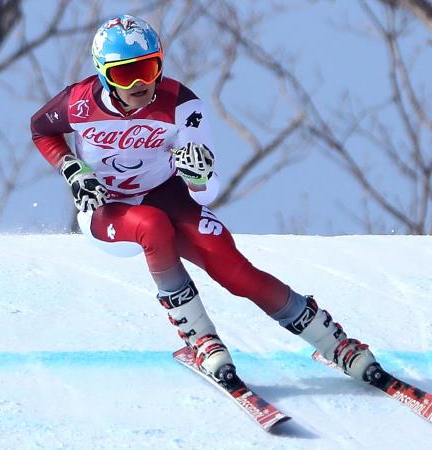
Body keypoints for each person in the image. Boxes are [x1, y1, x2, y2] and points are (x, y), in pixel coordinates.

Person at [30, 15, 377, 385]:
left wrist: (198, 176)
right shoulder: (78, 103)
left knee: (232, 267)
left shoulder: (182, 106)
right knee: (151, 225)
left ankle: (333, 343)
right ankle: (201, 339)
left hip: (164, 193)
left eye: (148, 68)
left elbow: (206, 191)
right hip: (107, 207)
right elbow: (41, 129)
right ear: (103, 76)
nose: (139, 84)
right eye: (123, 74)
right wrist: (71, 167)